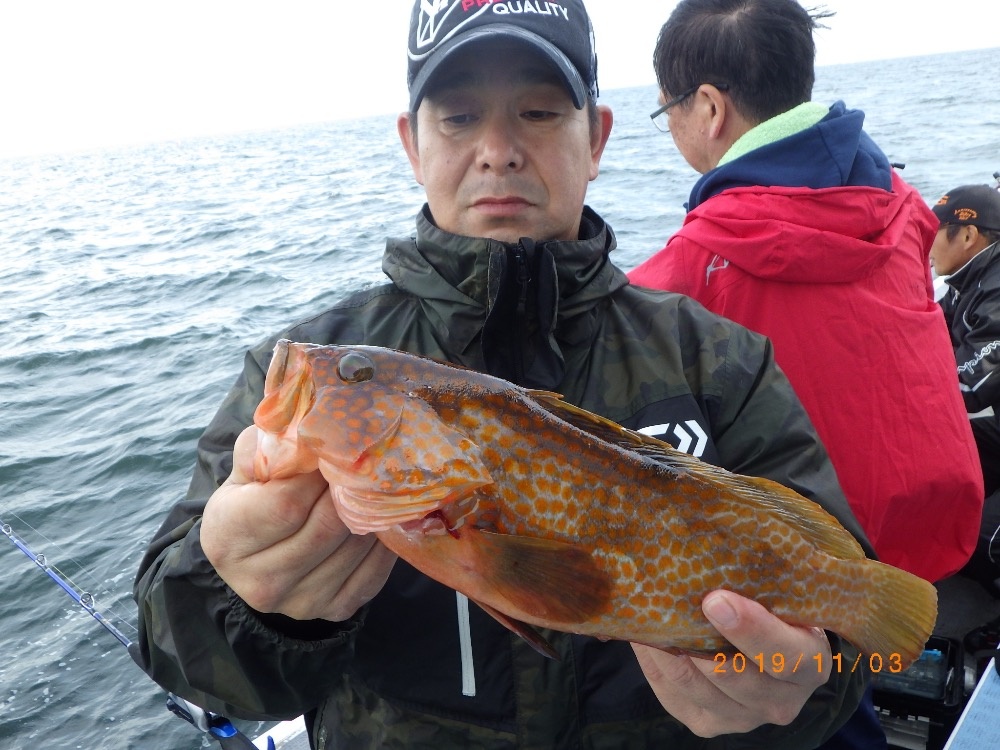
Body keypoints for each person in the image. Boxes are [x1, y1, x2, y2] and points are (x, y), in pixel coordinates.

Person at [133, 2, 870, 747]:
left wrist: (799, 681)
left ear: (596, 139)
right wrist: (255, 606)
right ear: (412, 145)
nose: (497, 152)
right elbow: (178, 650)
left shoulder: (720, 359)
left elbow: (846, 632)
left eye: (539, 112)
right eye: (458, 117)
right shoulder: (302, 363)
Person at [628, 0, 983, 586]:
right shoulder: (904, 206)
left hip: (816, 580)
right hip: (937, 530)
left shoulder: (681, 275)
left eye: (668, 108)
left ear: (710, 107)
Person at [931, 183, 1000, 597]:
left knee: (982, 544)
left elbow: (973, 381)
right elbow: (920, 335)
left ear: (969, 235)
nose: (925, 245)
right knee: (939, 495)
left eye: (933, 231)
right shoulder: (967, 282)